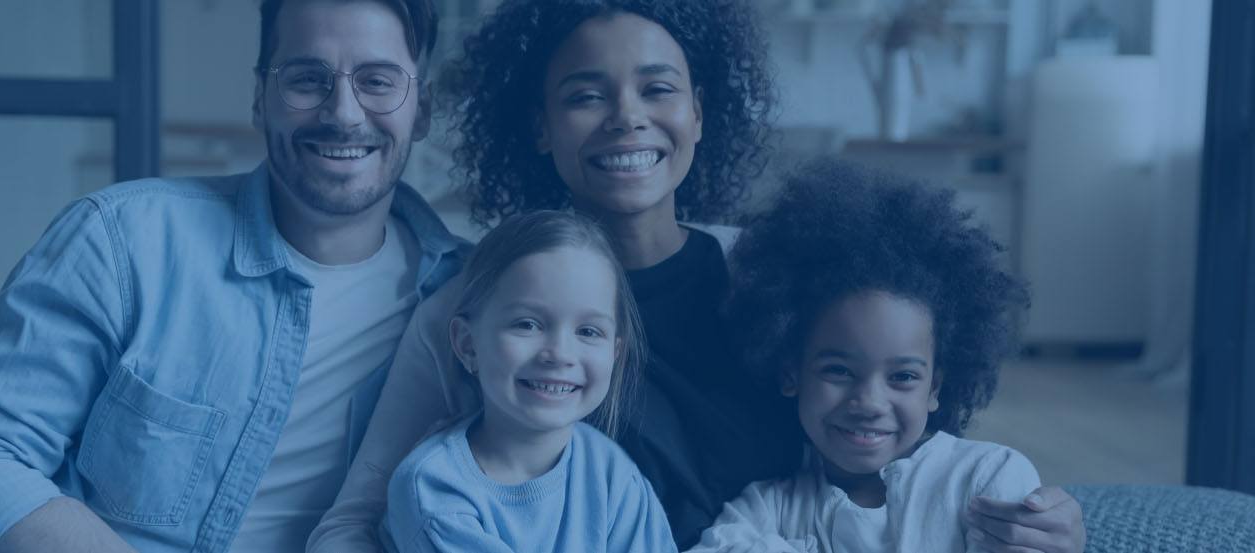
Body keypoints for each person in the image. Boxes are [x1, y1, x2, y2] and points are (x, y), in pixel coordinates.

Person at [311, 2, 1086, 553]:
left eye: (658, 88)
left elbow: (904, 443)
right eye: (585, 95)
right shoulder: (475, 305)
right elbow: (354, 519)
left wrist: (1047, 523)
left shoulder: (780, 275)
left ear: (700, 112)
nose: (626, 117)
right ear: (539, 126)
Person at [0, 1, 465, 552]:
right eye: (307, 79)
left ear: (424, 111)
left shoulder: (474, 298)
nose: (343, 113)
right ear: (260, 98)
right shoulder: (121, 241)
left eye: (378, 81)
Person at [689, 160, 1038, 552]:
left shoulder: (987, 481)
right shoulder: (764, 508)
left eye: (903, 377)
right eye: (838, 370)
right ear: (791, 374)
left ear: (935, 386)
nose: (869, 403)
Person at [382, 210, 677, 552]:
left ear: (615, 354)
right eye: (527, 324)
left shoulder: (612, 473)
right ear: (467, 344)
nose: (559, 353)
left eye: (588, 331)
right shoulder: (434, 488)